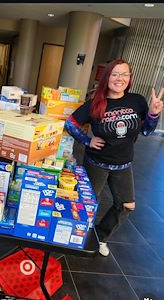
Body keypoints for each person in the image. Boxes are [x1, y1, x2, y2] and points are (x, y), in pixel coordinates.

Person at [64, 59, 163, 257]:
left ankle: (100, 237)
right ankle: (75, 237)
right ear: (107, 77)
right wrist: (87, 140)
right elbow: (70, 124)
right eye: (115, 74)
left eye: (124, 74)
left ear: (130, 78)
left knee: (126, 205)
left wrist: (153, 114)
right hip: (96, 163)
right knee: (87, 204)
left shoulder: (137, 101)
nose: (120, 79)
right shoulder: (95, 103)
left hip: (123, 164)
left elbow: (145, 132)